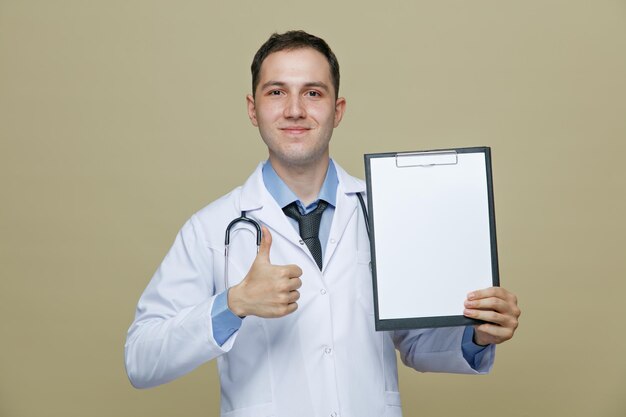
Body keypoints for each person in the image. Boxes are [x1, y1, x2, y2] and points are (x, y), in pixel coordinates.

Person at [125, 30, 521, 417]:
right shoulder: (211, 228)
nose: (294, 109)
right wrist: (234, 304)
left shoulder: (387, 210)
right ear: (252, 108)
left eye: (313, 92)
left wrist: (477, 335)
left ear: (338, 109)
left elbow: (416, 342)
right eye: (276, 91)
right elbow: (141, 359)